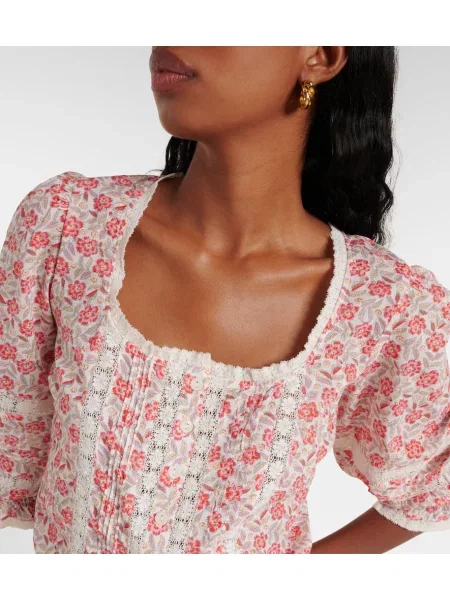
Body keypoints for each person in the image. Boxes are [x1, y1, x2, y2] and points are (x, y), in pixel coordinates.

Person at [1, 46, 449, 554]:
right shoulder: (67, 228)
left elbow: (433, 484)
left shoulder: (383, 308)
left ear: (320, 56)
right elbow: (13, 435)